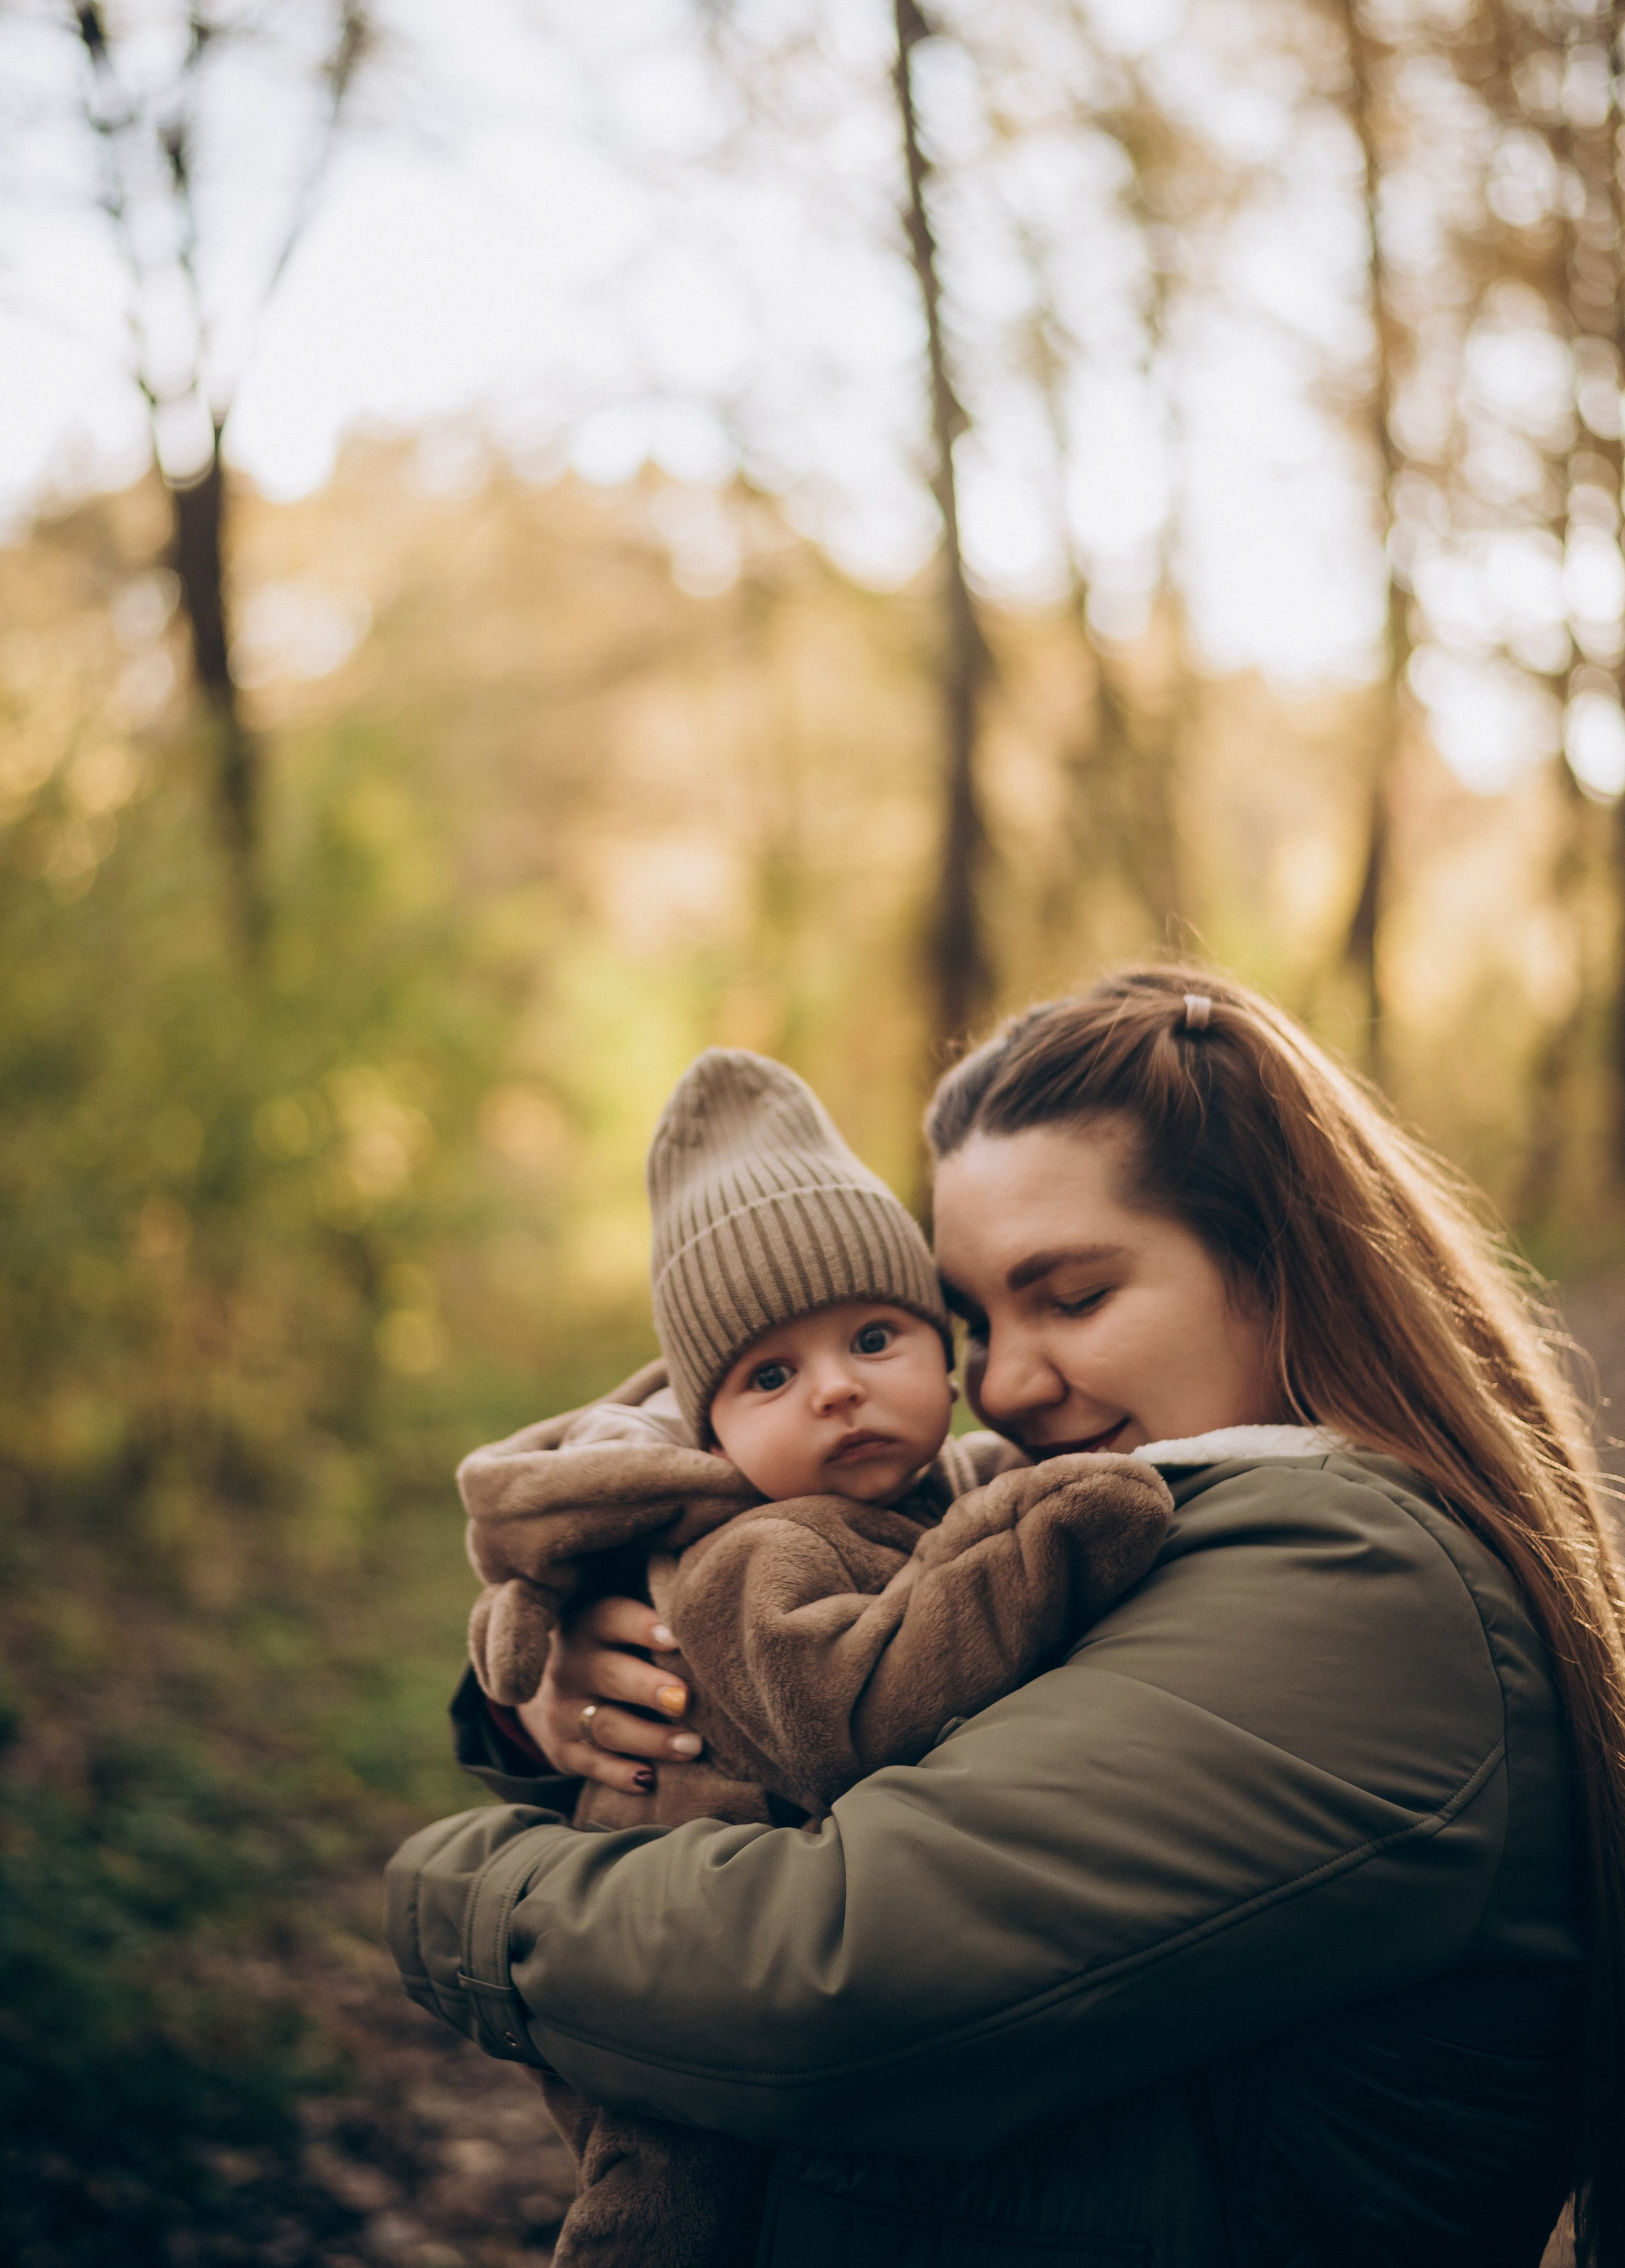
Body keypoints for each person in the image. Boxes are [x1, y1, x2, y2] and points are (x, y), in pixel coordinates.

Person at [387, 968, 1625, 2268]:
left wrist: (455, 1894)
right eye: (971, 1319)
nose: (1007, 1384)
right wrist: (590, 1681)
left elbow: (828, 1971)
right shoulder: (1176, 1522)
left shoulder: (1349, 1585)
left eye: (1073, 1296)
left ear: (1279, 1264)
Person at [454, 1046, 1171, 2267]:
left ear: (942, 1352)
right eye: (772, 1375)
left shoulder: (971, 1480)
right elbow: (852, 1713)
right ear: (713, 1427)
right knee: (662, 2202)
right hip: (676, 1969)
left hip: (809, 1988)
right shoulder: (753, 1555)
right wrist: (1040, 1543)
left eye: (876, 1337)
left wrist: (1014, 1510)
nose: (837, 1391)